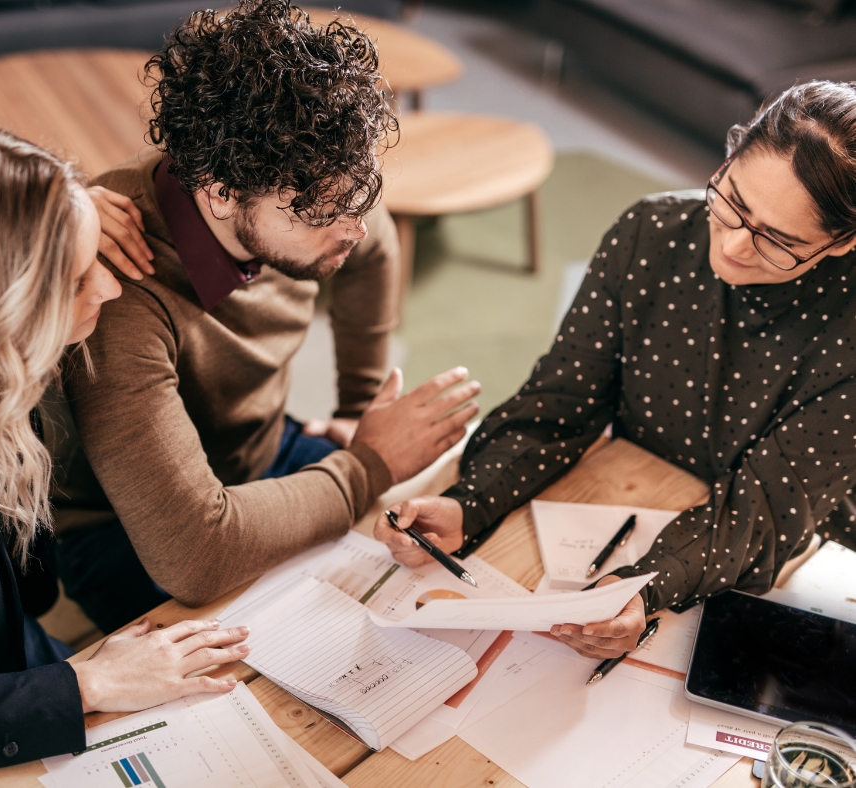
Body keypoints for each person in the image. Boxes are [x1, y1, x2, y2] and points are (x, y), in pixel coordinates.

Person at [374, 80, 856, 660]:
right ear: (728, 157)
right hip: (636, 490)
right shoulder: (650, 234)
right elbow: (559, 403)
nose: (732, 247)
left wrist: (644, 588)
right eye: (733, 202)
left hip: (783, 547)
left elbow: (762, 512)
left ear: (839, 244)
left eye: (777, 241)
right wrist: (469, 503)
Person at [50, 0, 480, 634]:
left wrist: (358, 410)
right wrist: (368, 463)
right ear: (222, 192)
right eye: (322, 214)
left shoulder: (318, 186)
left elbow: (375, 245)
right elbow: (193, 555)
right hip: (133, 529)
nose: (354, 228)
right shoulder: (120, 288)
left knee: (413, 576)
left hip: (257, 455)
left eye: (361, 195)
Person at [0, 124, 250, 784]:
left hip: (15, 658)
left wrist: (63, 214)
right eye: (74, 281)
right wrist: (83, 688)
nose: (110, 288)